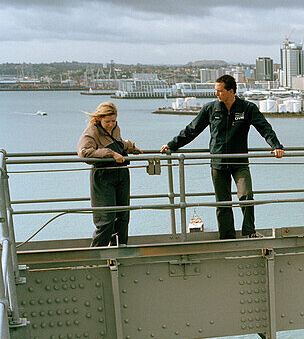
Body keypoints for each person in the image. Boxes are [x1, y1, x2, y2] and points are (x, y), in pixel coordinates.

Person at [161, 74, 285, 239]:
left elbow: (264, 128)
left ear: (231, 91)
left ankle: (249, 232)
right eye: (216, 91)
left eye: (219, 91)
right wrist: (172, 145)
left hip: (239, 162)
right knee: (223, 202)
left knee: (246, 196)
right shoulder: (210, 109)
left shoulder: (247, 108)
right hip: (218, 163)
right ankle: (227, 237)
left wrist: (276, 146)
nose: (216, 94)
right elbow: (192, 129)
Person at [77, 102, 141, 247]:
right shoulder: (91, 132)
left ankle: (119, 250)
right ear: (99, 118)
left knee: (123, 216)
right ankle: (97, 255)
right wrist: (110, 154)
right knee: (106, 218)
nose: (111, 124)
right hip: (103, 176)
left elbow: (117, 142)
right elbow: (84, 153)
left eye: (113, 121)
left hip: (121, 173)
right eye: (107, 121)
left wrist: (131, 147)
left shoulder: (115, 128)